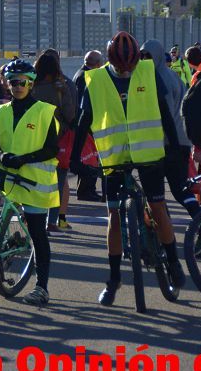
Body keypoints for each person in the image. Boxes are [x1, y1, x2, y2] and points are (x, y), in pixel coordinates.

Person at [70, 32, 186, 306]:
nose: (126, 70)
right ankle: (113, 279)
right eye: (121, 67)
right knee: (113, 215)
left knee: (158, 207)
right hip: (115, 155)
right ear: (109, 61)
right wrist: (75, 158)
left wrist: (174, 147)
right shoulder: (96, 79)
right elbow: (84, 119)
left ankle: (172, 261)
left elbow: (163, 111)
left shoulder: (147, 72)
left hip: (148, 152)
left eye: (130, 65)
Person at [0, 59, 60, 306]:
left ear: (31, 83)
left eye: (22, 82)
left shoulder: (44, 111)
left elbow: (52, 149)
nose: (17, 86)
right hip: (8, 180)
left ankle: (42, 287)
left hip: (35, 182)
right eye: (12, 82)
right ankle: (7, 245)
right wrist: (1, 156)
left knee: (38, 233)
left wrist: (24, 159)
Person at [141, 39, 200, 219]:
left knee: (157, 193)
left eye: (148, 56)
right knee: (180, 189)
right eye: (142, 55)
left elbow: (163, 112)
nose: (144, 59)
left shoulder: (157, 78)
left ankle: (163, 231)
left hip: (167, 140)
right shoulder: (173, 75)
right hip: (181, 138)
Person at [31, 50, 77, 232]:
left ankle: (33, 218)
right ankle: (52, 221)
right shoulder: (60, 87)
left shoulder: (31, 87)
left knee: (34, 181)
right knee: (57, 183)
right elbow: (70, 114)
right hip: (58, 140)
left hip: (34, 139)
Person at [72, 50, 105, 202]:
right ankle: (86, 190)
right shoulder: (88, 77)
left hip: (83, 122)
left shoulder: (79, 74)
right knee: (89, 158)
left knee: (89, 158)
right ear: (98, 63)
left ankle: (87, 189)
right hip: (86, 123)